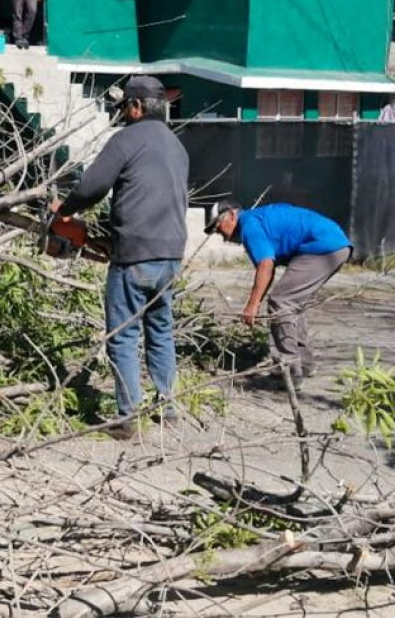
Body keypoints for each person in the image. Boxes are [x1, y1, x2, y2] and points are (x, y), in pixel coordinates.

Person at [50, 75, 188, 439]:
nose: (123, 113)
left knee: (123, 336)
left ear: (136, 106)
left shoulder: (126, 139)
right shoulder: (177, 146)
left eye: (125, 106)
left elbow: (91, 188)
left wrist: (64, 210)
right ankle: (167, 407)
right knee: (160, 331)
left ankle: (127, 418)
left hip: (134, 256)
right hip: (171, 255)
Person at [205, 201, 351, 378]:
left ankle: (290, 372)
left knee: (281, 301)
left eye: (218, 227)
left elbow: (265, 264)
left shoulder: (248, 224)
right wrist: (256, 301)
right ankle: (304, 365)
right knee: (293, 304)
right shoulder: (257, 219)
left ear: (231, 215)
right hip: (335, 245)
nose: (221, 235)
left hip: (322, 247)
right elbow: (269, 268)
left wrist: (252, 304)